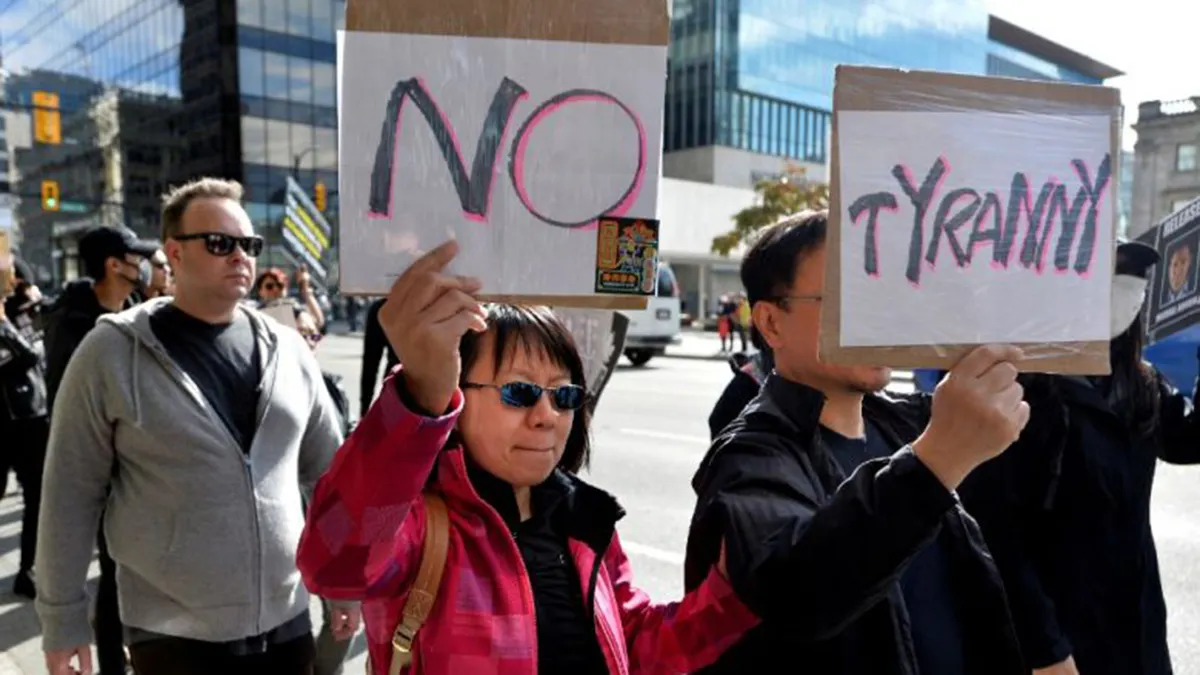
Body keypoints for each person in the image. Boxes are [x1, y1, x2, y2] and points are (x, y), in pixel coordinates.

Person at [297, 240, 760, 675]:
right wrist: (418, 396)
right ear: (455, 395)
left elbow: (637, 643)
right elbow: (336, 562)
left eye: (565, 394)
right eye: (519, 392)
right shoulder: (419, 525)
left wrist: (737, 592)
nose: (547, 416)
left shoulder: (586, 523)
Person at [684, 211, 1028, 675]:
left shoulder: (908, 425)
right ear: (771, 322)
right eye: (846, 300)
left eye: (882, 296)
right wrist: (935, 464)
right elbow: (800, 593)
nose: (875, 319)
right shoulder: (749, 457)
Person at [36, 177, 355, 675]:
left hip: (287, 621)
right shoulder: (112, 353)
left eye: (248, 245)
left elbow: (330, 480)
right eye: (220, 243)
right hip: (172, 636)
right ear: (174, 254)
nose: (240, 257)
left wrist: (343, 579)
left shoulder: (287, 349)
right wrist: (62, 621)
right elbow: (69, 496)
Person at [960, 239, 1200, 675]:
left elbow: (1188, 441)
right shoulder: (1024, 389)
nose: (1127, 294)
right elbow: (998, 531)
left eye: (1134, 282)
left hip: (1136, 625)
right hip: (1063, 636)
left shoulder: (1139, 383)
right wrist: (1045, 648)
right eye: (1115, 276)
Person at [41, 224, 158, 675]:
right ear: (114, 265)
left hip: (137, 464)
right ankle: (112, 663)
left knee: (130, 572)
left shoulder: (131, 308)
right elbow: (66, 414)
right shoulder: (72, 326)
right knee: (112, 576)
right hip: (101, 471)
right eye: (136, 257)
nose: (144, 265)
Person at [0, 260, 49, 600]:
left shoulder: (19, 309)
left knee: (37, 496)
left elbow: (37, 346)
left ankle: (28, 570)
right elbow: (28, 355)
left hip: (31, 416)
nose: (13, 279)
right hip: (6, 420)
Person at [359, 296, 399, 418]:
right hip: (439, 393)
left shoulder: (382, 308)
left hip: (396, 391)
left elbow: (370, 365)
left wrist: (364, 411)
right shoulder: (441, 305)